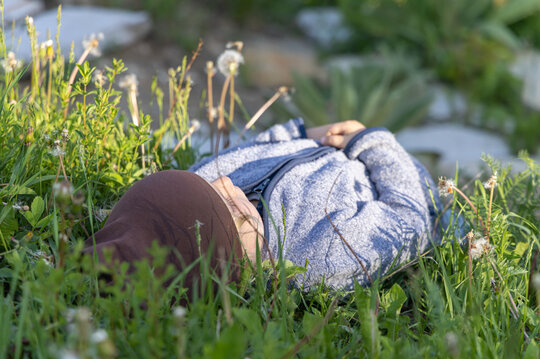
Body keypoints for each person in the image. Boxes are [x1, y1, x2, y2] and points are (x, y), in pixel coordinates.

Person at [84, 118, 443, 294]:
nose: (225, 183)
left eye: (207, 185)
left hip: (321, 144)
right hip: (398, 177)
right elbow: (409, 220)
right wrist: (372, 144)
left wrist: (305, 132)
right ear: (231, 265)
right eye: (224, 206)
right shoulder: (320, 256)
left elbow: (249, 149)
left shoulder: (208, 180)